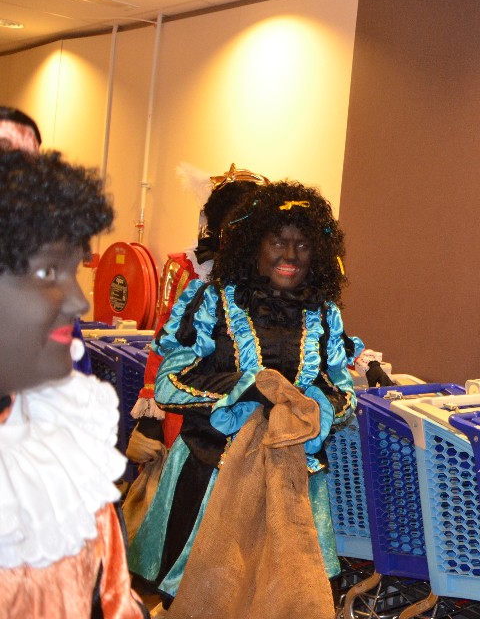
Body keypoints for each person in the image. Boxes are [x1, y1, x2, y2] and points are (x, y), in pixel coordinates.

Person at [127, 181, 363, 617]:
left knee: (281, 599)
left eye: (303, 245)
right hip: (208, 479)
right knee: (201, 599)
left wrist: (312, 408)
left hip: (291, 483)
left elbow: (344, 393)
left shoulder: (325, 314)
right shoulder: (211, 302)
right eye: (277, 242)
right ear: (255, 245)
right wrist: (246, 388)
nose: (290, 256)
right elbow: (169, 383)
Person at [0, 148, 147, 618]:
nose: (80, 302)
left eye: (73, 271)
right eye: (48, 272)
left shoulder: (61, 449)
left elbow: (113, 599)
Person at [130, 163, 269, 448]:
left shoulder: (275, 274)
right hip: (191, 406)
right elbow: (165, 342)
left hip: (253, 412)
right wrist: (151, 418)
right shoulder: (189, 269)